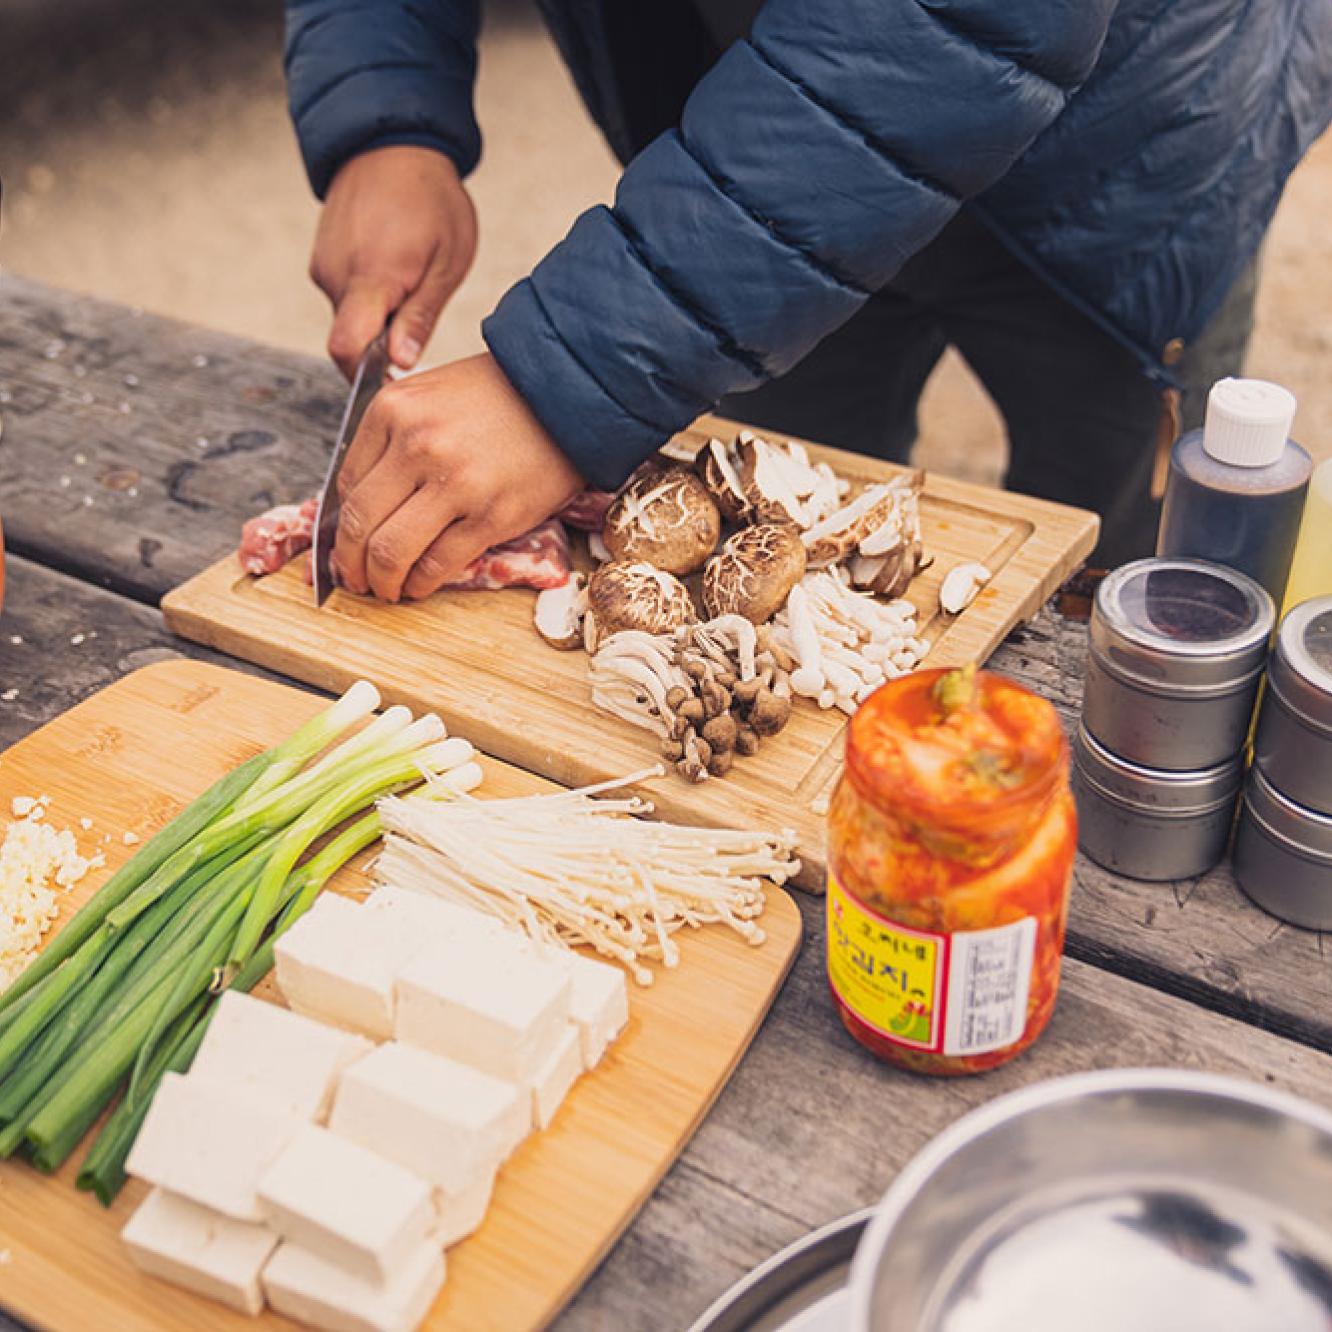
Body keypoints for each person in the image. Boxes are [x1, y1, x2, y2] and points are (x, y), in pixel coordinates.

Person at [283, 0, 1332, 601]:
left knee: (1111, 551)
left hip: (1131, 150)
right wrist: (387, 111)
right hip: (766, 141)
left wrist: (569, 380)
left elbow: (962, 20)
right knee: (782, 519)